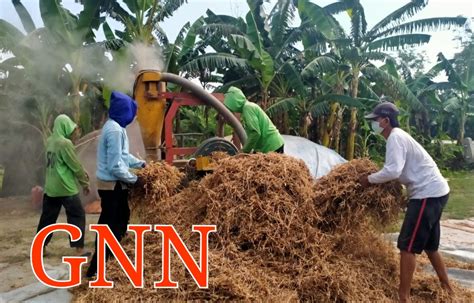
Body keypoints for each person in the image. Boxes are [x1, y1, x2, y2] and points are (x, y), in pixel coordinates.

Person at [358, 102, 453, 302]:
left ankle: (403, 296)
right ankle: (448, 289)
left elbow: (393, 170)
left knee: (407, 245)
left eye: (376, 120)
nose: (374, 123)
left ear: (385, 120)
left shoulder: (395, 138)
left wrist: (369, 180)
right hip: (436, 192)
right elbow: (401, 171)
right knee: (430, 246)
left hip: (427, 194)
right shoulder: (398, 137)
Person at [86, 91, 145, 278]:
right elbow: (115, 166)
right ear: (124, 111)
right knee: (111, 224)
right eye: (131, 112)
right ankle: (96, 268)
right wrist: (135, 180)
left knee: (120, 218)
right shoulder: (115, 131)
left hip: (112, 184)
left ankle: (111, 258)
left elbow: (123, 156)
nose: (133, 116)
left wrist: (140, 164)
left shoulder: (113, 127)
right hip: (111, 185)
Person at [36, 114, 90, 256]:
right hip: (66, 188)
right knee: (77, 215)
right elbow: (75, 166)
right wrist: (85, 183)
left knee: (47, 218)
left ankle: (40, 248)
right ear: (64, 127)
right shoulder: (65, 143)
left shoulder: (49, 141)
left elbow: (62, 162)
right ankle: (79, 249)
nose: (72, 131)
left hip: (51, 189)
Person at [224, 86, 284, 154]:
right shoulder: (247, 108)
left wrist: (244, 151)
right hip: (267, 146)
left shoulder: (247, 108)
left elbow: (255, 132)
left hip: (271, 146)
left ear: (234, 101)